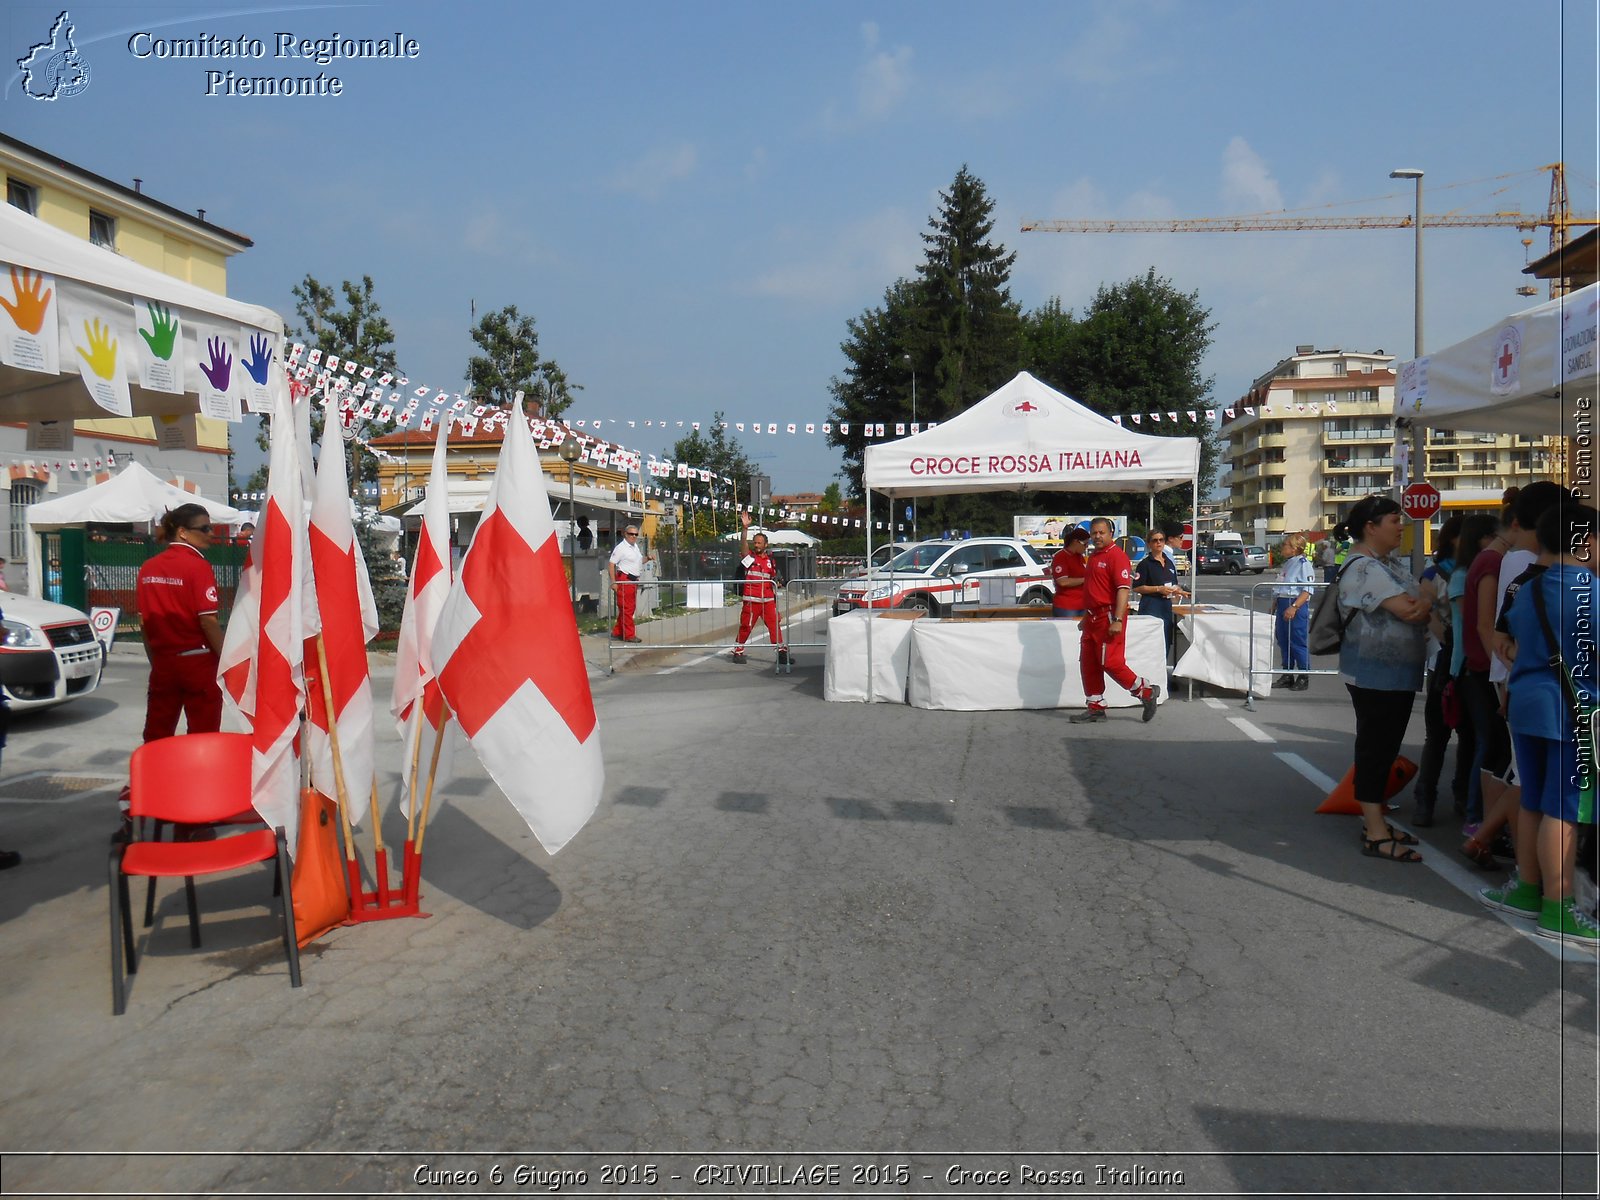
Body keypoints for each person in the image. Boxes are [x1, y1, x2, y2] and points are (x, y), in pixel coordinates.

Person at [1478, 502, 1599, 948]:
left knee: (1532, 798)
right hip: (1571, 710)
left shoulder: (1527, 589)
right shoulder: (1591, 592)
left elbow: (1506, 640)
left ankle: (1527, 889)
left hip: (1525, 703)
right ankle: (1560, 908)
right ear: (1587, 543)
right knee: (1565, 809)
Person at [1334, 494, 1432, 862]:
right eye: (1394, 520)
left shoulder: (1387, 564)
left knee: (1385, 746)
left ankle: (1374, 820)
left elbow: (1420, 602)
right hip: (1375, 673)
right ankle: (1374, 832)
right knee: (1376, 747)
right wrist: (1426, 596)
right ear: (1370, 527)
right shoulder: (1364, 567)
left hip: (1393, 674)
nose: (1401, 526)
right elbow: (1412, 610)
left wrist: (1423, 599)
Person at [136, 504, 225, 744]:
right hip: (197, 661)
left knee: (157, 733)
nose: (211, 533)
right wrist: (225, 658)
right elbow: (207, 621)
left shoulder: (148, 567)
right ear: (183, 532)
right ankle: (197, 780)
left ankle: (153, 779)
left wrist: (157, 661)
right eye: (205, 528)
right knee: (203, 735)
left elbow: (145, 622)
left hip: (164, 662)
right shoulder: (198, 566)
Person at [1070, 517, 1160, 724]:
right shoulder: (1093, 556)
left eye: (1102, 532)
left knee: (1110, 661)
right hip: (1092, 617)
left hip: (1109, 615)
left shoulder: (1116, 556)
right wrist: (1086, 617)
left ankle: (1145, 692)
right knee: (1088, 663)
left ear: (1111, 534)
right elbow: (1094, 589)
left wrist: (1117, 619)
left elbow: (1122, 590)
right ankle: (1095, 707)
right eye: (1094, 533)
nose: (1097, 536)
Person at [1411, 514, 1465, 827]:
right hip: (1443, 662)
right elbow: (1427, 607)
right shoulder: (1435, 572)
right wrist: (1445, 633)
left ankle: (1461, 795)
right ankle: (1425, 798)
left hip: (1464, 662)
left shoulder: (1473, 569)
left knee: (1467, 738)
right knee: (1437, 735)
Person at [731, 513, 788, 664]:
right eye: (754, 542)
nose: (756, 545)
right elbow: (743, 548)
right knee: (746, 626)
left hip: (768, 600)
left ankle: (782, 653)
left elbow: (773, 579)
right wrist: (745, 529)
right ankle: (738, 651)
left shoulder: (770, 561)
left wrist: (778, 584)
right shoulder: (749, 558)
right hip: (751, 600)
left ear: (765, 545)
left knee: (774, 625)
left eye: (759, 543)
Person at [1271, 532, 1314, 690]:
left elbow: (1307, 589)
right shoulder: (1288, 563)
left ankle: (1304, 675)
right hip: (1283, 601)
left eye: (1286, 545)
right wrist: (1275, 603)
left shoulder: (1303, 563)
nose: (1283, 547)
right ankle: (1287, 673)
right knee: (1283, 639)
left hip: (1295, 603)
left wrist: (1294, 607)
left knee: (1297, 640)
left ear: (1295, 548)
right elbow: (1282, 584)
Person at [1132, 530, 1184, 656]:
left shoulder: (1169, 563)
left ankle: (1163, 672)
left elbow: (1173, 583)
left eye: (1161, 540)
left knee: (1165, 640)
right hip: (1151, 605)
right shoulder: (1144, 564)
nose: (1158, 543)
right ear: (1149, 544)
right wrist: (1157, 589)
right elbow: (1137, 587)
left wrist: (1178, 591)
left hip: (1166, 606)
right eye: (1155, 540)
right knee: (1150, 642)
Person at [608, 524, 651, 643]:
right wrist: (614, 582)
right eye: (631, 534)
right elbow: (611, 564)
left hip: (632, 580)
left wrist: (647, 558)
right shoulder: (621, 548)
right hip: (625, 580)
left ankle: (618, 631)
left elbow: (638, 561)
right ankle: (629, 635)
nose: (633, 536)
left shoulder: (634, 547)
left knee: (629, 608)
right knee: (627, 608)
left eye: (636, 534)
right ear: (625, 534)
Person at [1048, 528, 1090, 619]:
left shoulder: (1080, 557)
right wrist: (1085, 580)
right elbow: (1062, 581)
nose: (1086, 547)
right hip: (1066, 606)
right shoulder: (1061, 557)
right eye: (1085, 544)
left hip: (1082, 604)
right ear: (1076, 542)